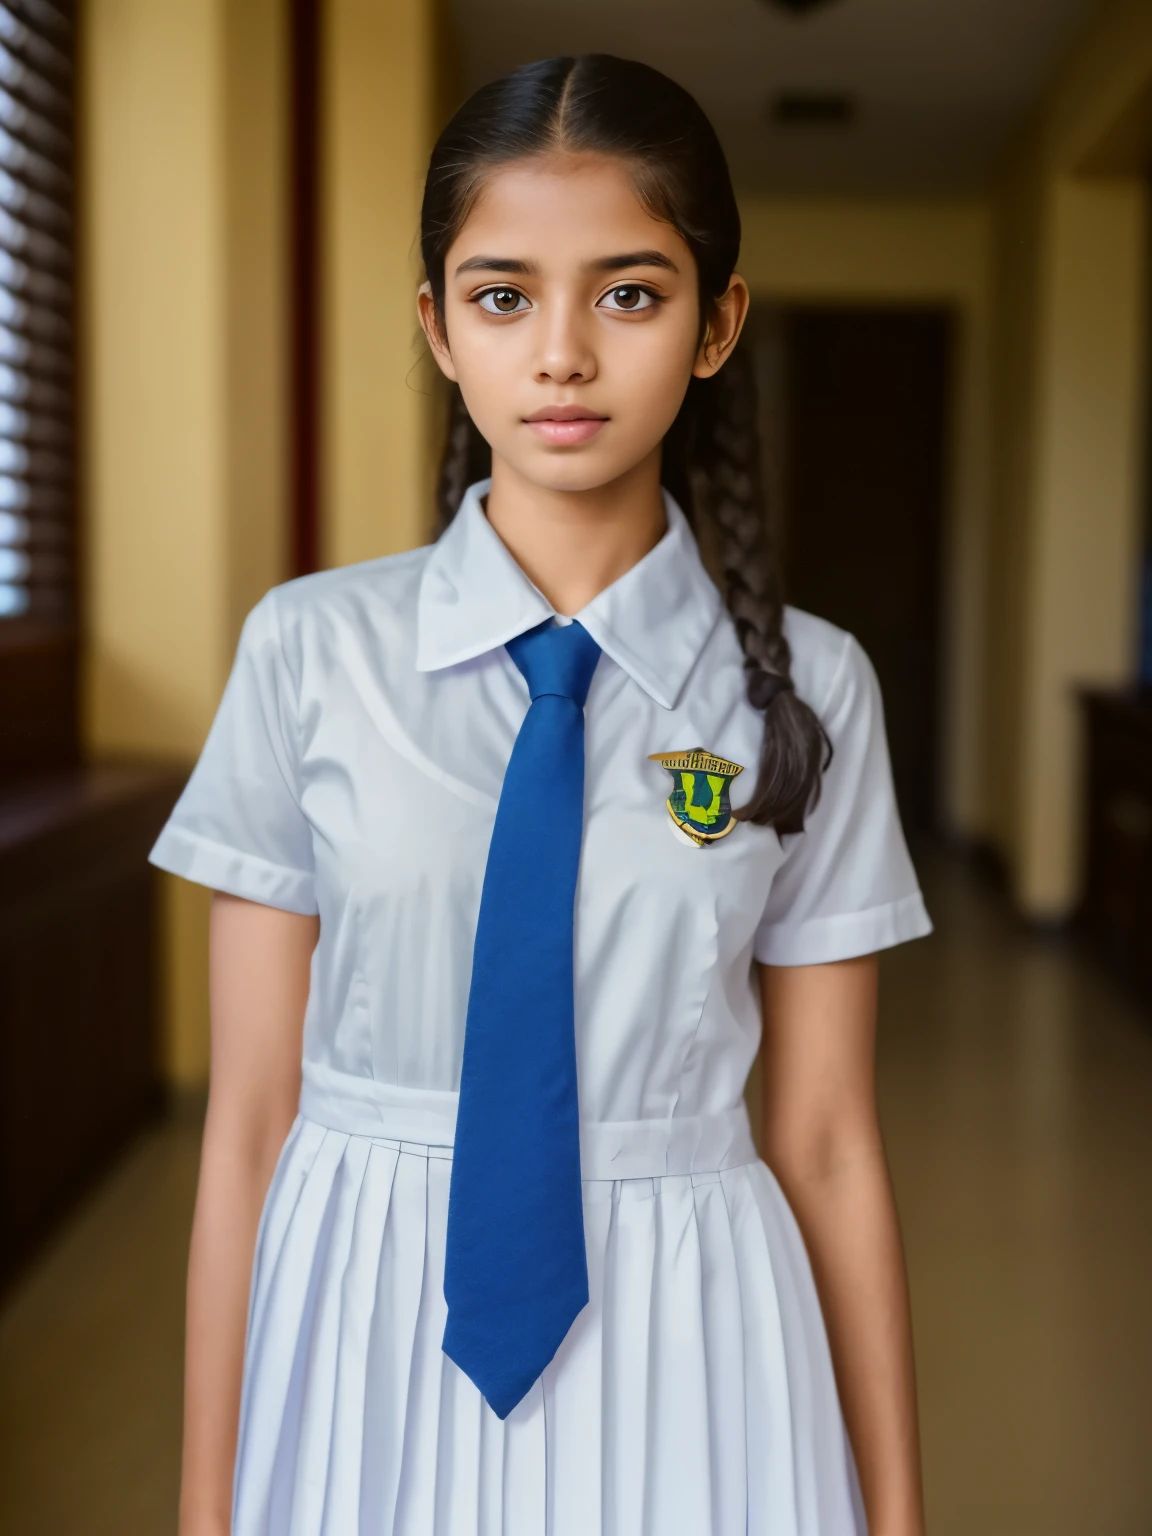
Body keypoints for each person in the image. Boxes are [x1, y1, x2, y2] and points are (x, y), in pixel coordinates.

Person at [151, 53, 933, 1536]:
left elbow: (828, 1137)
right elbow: (247, 1123)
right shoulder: (310, 652)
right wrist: (208, 1504)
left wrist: (895, 1514)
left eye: (629, 293)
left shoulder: (815, 689)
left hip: (694, 1324)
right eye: (504, 295)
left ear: (717, 324)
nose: (562, 354)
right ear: (438, 327)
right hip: (364, 1308)